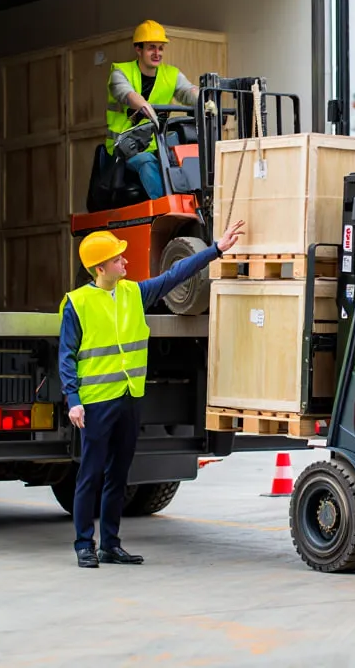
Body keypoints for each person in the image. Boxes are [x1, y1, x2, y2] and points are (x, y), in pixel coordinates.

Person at [60, 220, 245, 568]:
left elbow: (176, 274)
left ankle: (110, 545)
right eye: (118, 259)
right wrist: (73, 400)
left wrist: (216, 249)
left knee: (119, 475)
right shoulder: (77, 304)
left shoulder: (134, 293)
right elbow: (66, 355)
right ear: (101, 268)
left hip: (129, 398)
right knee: (91, 474)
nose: (125, 263)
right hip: (96, 404)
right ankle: (84, 544)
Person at [107, 20, 201, 200]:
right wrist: (144, 106)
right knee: (147, 162)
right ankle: (165, 208)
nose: (157, 53)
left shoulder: (171, 74)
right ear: (138, 49)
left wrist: (206, 101)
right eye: (151, 48)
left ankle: (196, 205)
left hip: (159, 146)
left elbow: (188, 91)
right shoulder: (120, 72)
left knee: (188, 159)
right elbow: (126, 93)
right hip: (126, 148)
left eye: (160, 48)